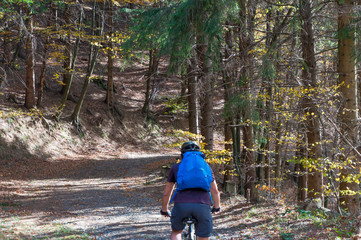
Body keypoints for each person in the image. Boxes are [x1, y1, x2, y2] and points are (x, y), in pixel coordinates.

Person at [160, 141, 221, 240]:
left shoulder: (176, 167)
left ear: (182, 154)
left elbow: (167, 193)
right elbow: (214, 190)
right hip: (203, 205)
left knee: (176, 232)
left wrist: (164, 209)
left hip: (181, 205)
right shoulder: (205, 167)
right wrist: (216, 207)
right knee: (203, 236)